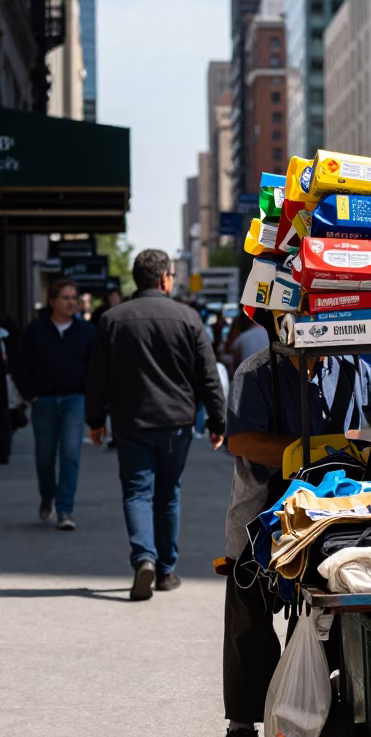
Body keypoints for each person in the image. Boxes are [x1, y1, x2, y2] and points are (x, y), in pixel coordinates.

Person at [219, 343, 371, 737]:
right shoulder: (255, 373)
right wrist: (314, 451)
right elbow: (241, 441)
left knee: (322, 614)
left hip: (330, 513)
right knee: (248, 615)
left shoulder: (345, 363)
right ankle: (241, 725)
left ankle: (307, 713)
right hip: (263, 513)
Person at [86, 248, 226, 601]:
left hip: (130, 421)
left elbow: (97, 376)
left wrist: (94, 420)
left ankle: (143, 558)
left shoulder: (112, 319)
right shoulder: (188, 318)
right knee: (168, 495)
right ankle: (166, 571)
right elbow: (208, 376)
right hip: (176, 423)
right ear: (164, 278)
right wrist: (217, 420)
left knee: (136, 492)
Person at [15, 279, 97, 529]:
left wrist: (92, 398)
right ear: (52, 301)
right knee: (45, 456)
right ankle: (47, 497)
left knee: (71, 454)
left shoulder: (86, 331)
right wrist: (31, 395)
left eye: (74, 298)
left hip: (74, 399)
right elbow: (20, 366)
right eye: (66, 298)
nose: (72, 302)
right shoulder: (35, 331)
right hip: (44, 401)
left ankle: (64, 510)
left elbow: (95, 368)